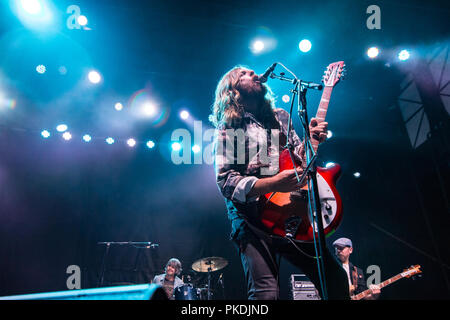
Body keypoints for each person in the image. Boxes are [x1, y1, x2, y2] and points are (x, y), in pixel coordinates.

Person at [210, 65, 349, 300]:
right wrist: (272, 184)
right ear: (232, 90)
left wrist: (313, 139)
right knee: (266, 295)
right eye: (244, 73)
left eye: (252, 71)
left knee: (334, 279)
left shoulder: (280, 117)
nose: (253, 73)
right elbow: (226, 181)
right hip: (251, 218)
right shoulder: (230, 128)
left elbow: (299, 163)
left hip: (291, 212)